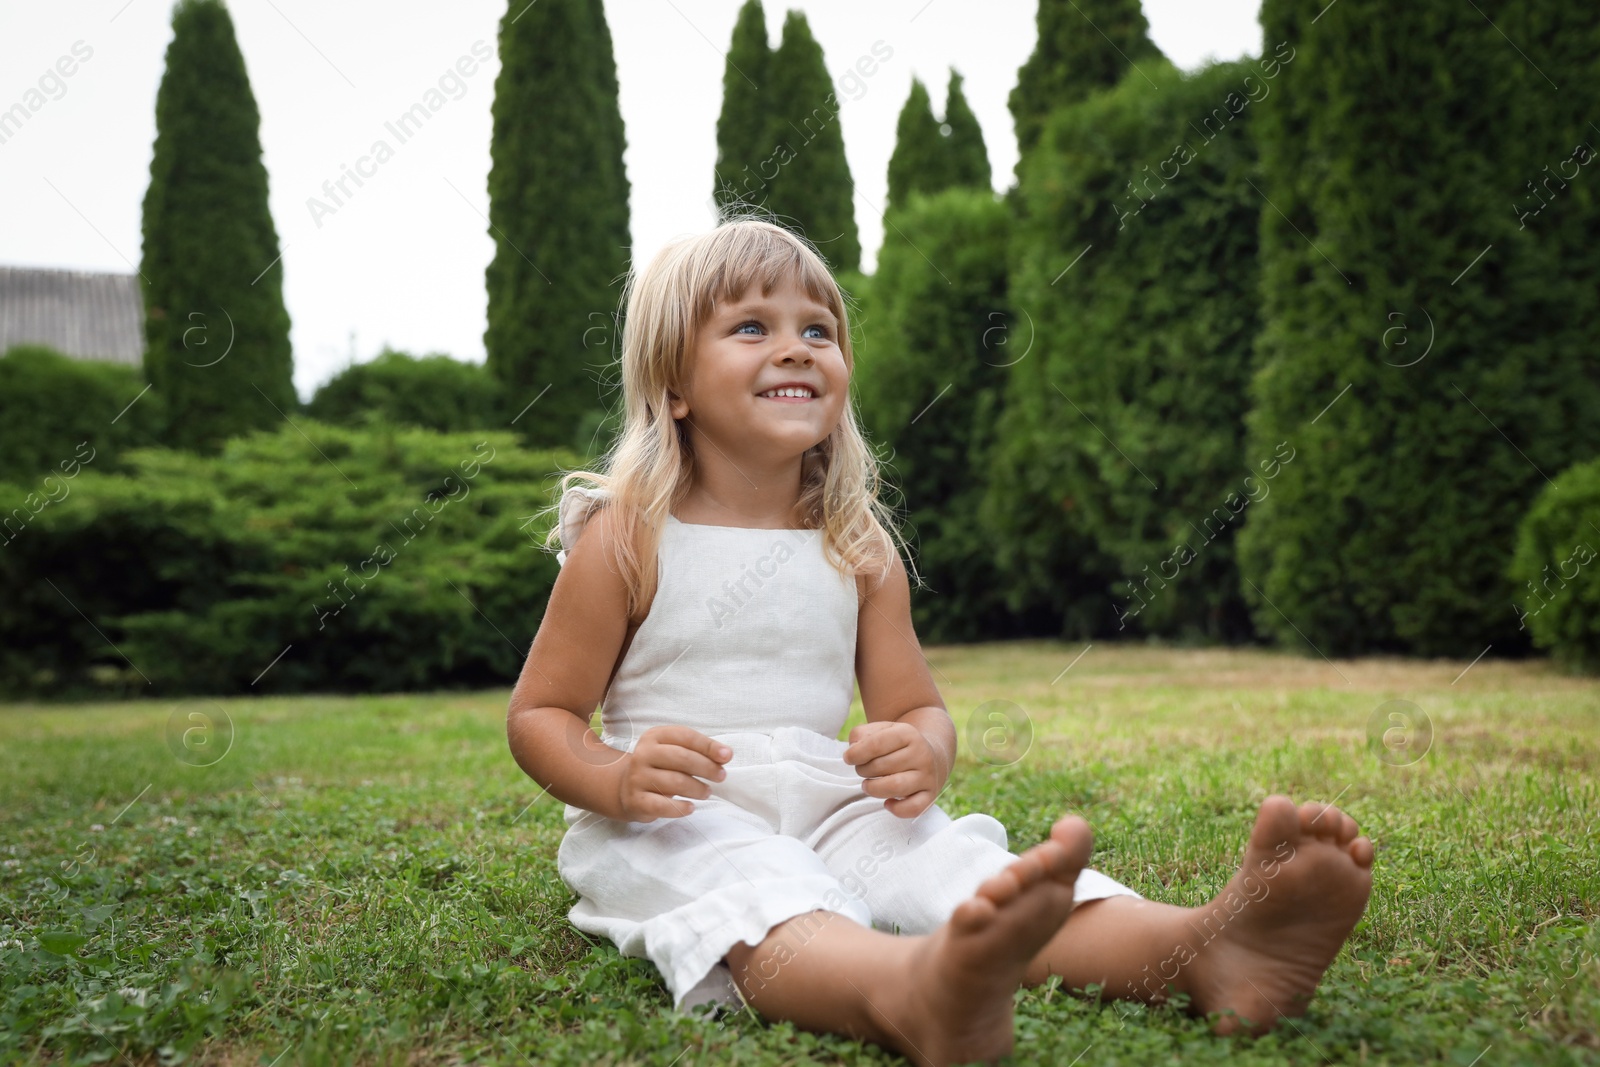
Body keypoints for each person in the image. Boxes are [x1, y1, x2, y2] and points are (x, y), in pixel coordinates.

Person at [506, 216, 1374, 1067]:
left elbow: (916, 704)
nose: (799, 346)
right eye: (750, 327)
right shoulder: (627, 536)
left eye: (819, 328)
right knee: (755, 897)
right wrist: (614, 780)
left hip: (833, 802)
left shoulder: (855, 543)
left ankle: (1201, 947)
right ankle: (910, 991)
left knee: (954, 870)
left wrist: (922, 752)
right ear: (675, 385)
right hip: (676, 820)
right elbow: (542, 711)